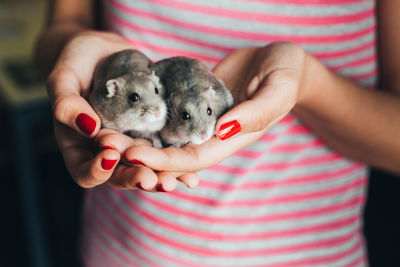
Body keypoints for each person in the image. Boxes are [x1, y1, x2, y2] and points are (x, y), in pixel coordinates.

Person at [35, 0, 400, 266]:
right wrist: (72, 53)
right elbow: (63, 25)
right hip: (121, 245)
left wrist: (304, 84)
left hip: (308, 253)